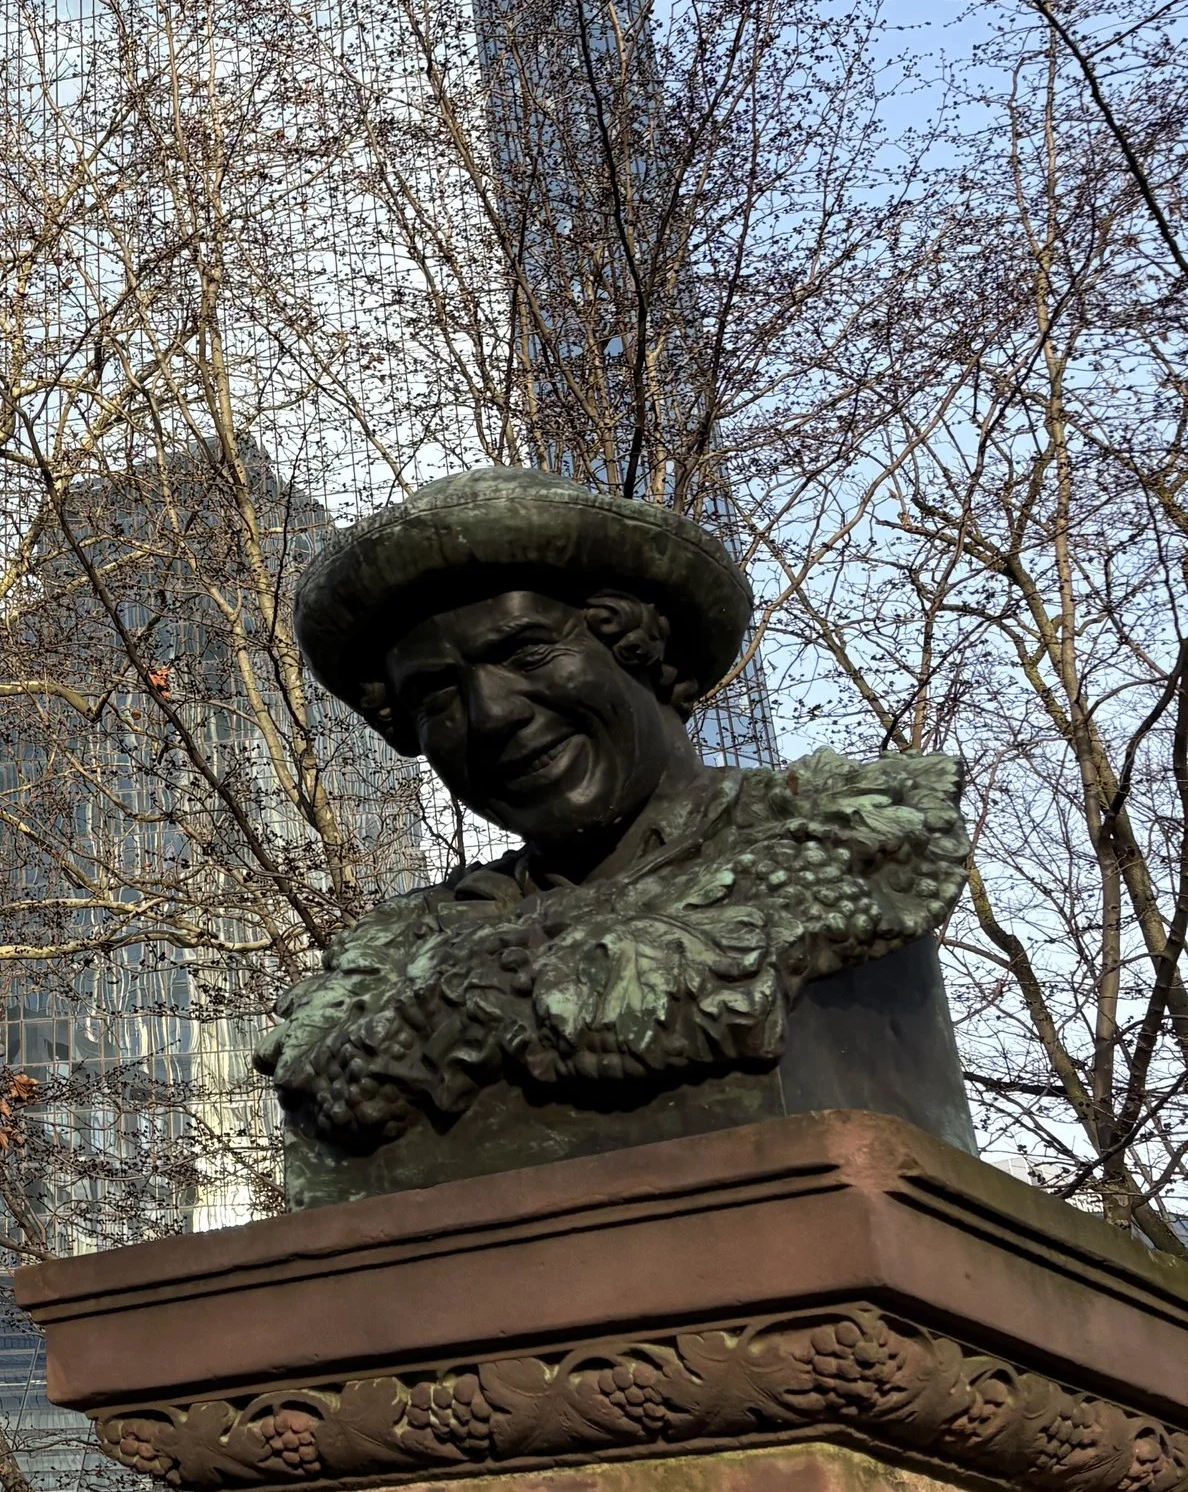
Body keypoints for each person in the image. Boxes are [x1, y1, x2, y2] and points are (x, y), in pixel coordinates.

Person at [258, 465, 967, 1178]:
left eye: (526, 651)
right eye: (437, 693)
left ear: (640, 649)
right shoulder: (389, 961)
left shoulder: (840, 839)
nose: (490, 713)